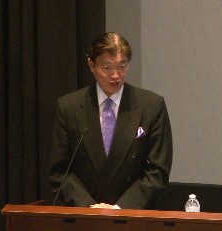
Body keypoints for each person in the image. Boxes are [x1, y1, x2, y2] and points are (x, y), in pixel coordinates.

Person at [48, 32, 173, 210]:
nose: (116, 75)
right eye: (107, 67)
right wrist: (90, 207)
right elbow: (59, 171)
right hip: (84, 214)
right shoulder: (69, 107)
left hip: (134, 215)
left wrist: (119, 209)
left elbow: (158, 170)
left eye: (122, 66)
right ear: (91, 65)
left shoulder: (151, 106)